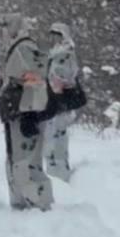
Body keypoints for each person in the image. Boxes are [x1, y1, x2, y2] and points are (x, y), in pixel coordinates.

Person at [0, 14, 52, 211]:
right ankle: (25, 201)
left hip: (24, 113)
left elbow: (35, 79)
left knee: (25, 161)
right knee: (23, 160)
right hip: (22, 111)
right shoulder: (21, 47)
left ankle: (37, 204)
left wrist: (30, 113)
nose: (2, 32)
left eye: (5, 27)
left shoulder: (24, 48)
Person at [44, 23, 81, 181]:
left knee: (57, 137)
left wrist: (54, 86)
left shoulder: (65, 54)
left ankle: (59, 174)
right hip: (54, 101)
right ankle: (54, 170)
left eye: (57, 35)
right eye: (52, 35)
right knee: (52, 137)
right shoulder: (56, 53)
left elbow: (64, 76)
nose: (53, 38)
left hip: (60, 101)